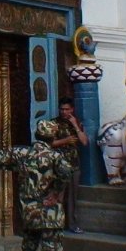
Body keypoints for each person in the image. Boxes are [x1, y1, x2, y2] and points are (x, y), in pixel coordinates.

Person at [0, 115, 73, 251]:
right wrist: (56, 191)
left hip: (29, 210)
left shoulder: (22, 153)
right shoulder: (56, 157)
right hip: (50, 213)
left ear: (37, 135)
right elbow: (67, 173)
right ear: (52, 138)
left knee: (31, 233)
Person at [51, 97, 89, 234]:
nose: (64, 112)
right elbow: (49, 143)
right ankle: (56, 223)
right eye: (62, 109)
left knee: (73, 197)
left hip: (73, 164)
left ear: (72, 110)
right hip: (58, 165)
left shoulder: (76, 123)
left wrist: (75, 126)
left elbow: (84, 142)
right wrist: (65, 141)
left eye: (67, 109)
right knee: (58, 195)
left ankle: (72, 224)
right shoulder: (53, 123)